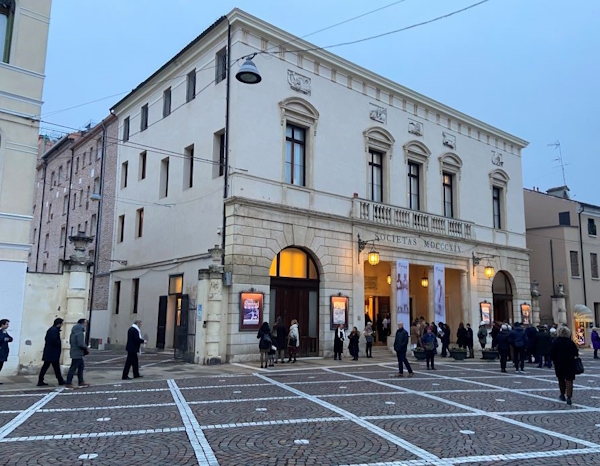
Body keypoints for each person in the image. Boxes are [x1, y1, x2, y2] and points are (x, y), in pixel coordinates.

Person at [550, 326, 579, 405]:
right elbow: (576, 352)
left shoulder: (556, 342)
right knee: (569, 380)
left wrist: (554, 360)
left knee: (561, 379)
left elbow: (552, 353)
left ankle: (562, 394)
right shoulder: (570, 342)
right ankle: (569, 396)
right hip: (570, 363)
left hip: (559, 363)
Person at [37, 318, 66, 387]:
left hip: (51, 352)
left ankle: (60, 380)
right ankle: (41, 380)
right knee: (48, 367)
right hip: (52, 352)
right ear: (59, 324)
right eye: (61, 324)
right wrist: (59, 343)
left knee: (54, 367)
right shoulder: (54, 330)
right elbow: (54, 340)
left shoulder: (52, 330)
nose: (62, 325)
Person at [65, 318, 90, 389]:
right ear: (82, 323)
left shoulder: (73, 332)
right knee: (73, 368)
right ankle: (69, 382)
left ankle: (81, 381)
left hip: (74, 351)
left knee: (81, 367)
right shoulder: (80, 333)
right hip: (77, 353)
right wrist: (86, 347)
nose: (86, 325)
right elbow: (80, 344)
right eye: (85, 323)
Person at [0, 319, 12, 383]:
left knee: (0, 365)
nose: (8, 326)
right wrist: (4, 338)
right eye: (6, 324)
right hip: (0, 351)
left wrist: (7, 339)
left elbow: (10, 338)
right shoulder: (1, 332)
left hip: (3, 351)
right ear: (2, 324)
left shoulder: (4, 332)